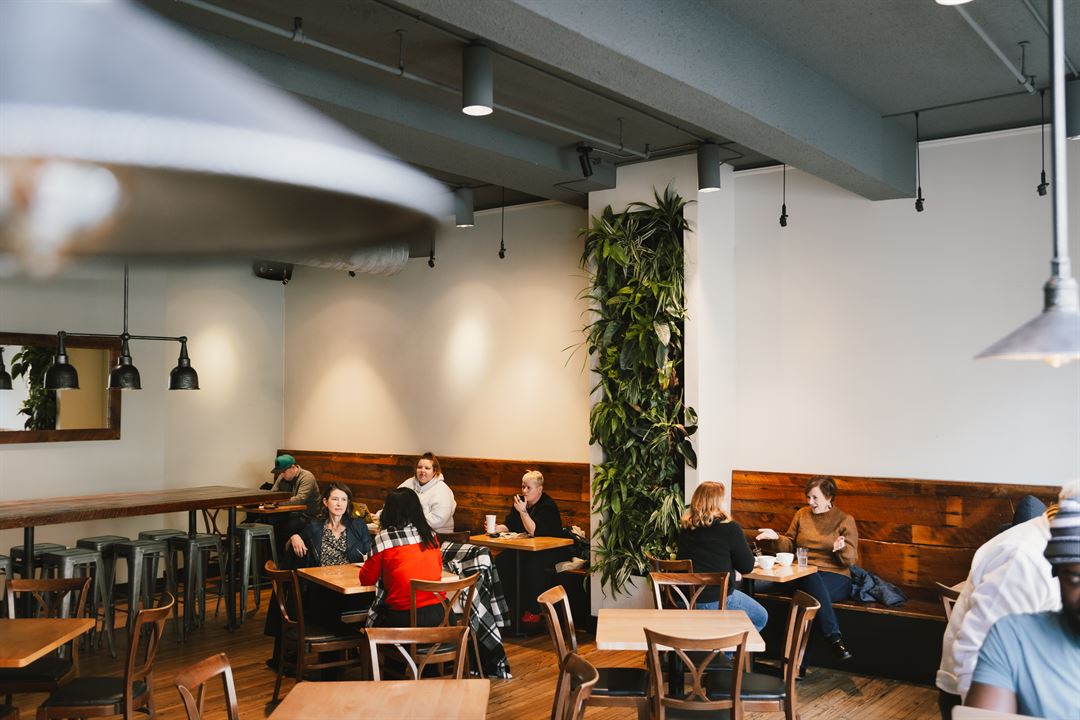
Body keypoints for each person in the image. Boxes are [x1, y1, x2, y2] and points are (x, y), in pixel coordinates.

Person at [936, 480, 1078, 718]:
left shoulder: (1058, 539)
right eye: (1074, 577)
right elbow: (977, 653)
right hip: (979, 693)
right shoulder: (1023, 560)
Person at [264, 483, 372, 668]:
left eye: (344, 500)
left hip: (350, 590)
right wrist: (294, 537)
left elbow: (370, 554)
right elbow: (291, 550)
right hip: (319, 590)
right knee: (327, 605)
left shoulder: (358, 526)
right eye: (335, 499)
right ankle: (334, 665)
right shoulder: (314, 526)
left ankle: (343, 658)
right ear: (325, 502)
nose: (339, 504)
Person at [756, 475, 858, 661]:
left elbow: (850, 560)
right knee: (811, 586)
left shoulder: (845, 520)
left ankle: (797, 663)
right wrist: (777, 538)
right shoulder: (802, 515)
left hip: (836, 575)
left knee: (811, 592)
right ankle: (832, 639)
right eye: (808, 497)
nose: (810, 502)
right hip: (803, 573)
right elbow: (789, 545)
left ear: (829, 497)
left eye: (815, 497)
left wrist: (841, 548)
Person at [676, 481, 767, 632]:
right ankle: (726, 646)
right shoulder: (730, 528)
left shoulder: (686, 528)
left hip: (682, 599)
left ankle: (717, 644)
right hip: (713, 600)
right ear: (718, 503)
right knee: (760, 617)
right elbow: (747, 567)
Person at [359, 487, 444, 627]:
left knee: (369, 627)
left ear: (388, 510)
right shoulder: (429, 534)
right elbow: (439, 568)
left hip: (404, 621)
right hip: (441, 617)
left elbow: (366, 580)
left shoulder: (385, 538)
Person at [494, 470, 565, 625]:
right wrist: (498, 528)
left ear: (539, 489)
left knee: (531, 565)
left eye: (528, 488)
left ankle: (535, 610)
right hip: (527, 548)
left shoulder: (547, 505)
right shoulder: (520, 502)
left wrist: (523, 512)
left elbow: (535, 531)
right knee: (501, 561)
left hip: (551, 550)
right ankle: (509, 607)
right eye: (523, 487)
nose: (524, 491)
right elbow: (510, 524)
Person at [396, 452, 457, 534]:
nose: (422, 470)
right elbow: (394, 501)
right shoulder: (409, 483)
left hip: (437, 535)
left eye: (427, 468)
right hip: (410, 531)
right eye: (419, 467)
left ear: (435, 471)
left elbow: (437, 520)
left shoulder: (442, 490)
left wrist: (409, 522)